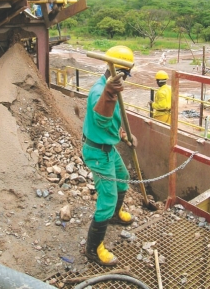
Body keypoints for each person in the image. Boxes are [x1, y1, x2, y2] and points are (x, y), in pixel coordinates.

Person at [82, 45, 137, 266]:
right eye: (126, 75)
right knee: (108, 198)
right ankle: (93, 249)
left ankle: (114, 215)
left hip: (108, 147)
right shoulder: (100, 92)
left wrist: (124, 136)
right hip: (97, 152)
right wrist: (109, 93)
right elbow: (102, 120)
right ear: (119, 72)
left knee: (123, 178)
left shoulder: (111, 90)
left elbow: (111, 124)